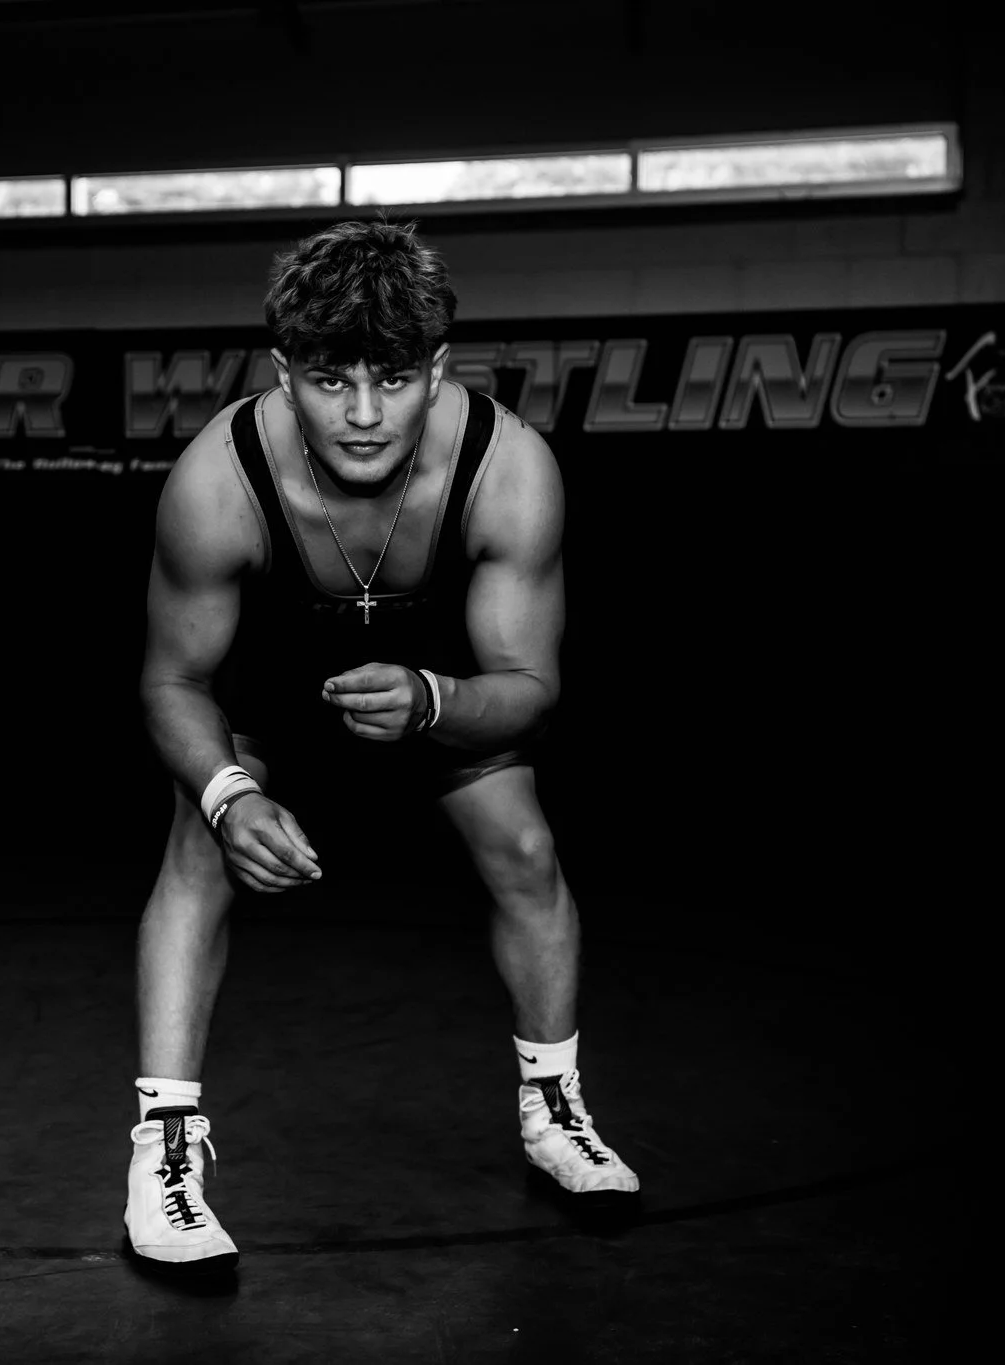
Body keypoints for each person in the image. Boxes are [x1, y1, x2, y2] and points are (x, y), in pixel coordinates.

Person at [126, 220, 636, 1275]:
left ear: (437, 368)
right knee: (195, 851)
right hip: (268, 685)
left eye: (393, 379)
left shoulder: (506, 468)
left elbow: (531, 692)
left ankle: (555, 1113)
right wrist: (227, 792)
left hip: (442, 678)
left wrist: (432, 697)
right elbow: (172, 680)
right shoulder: (217, 479)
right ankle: (161, 1156)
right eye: (328, 381)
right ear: (282, 372)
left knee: (526, 852)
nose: (362, 415)